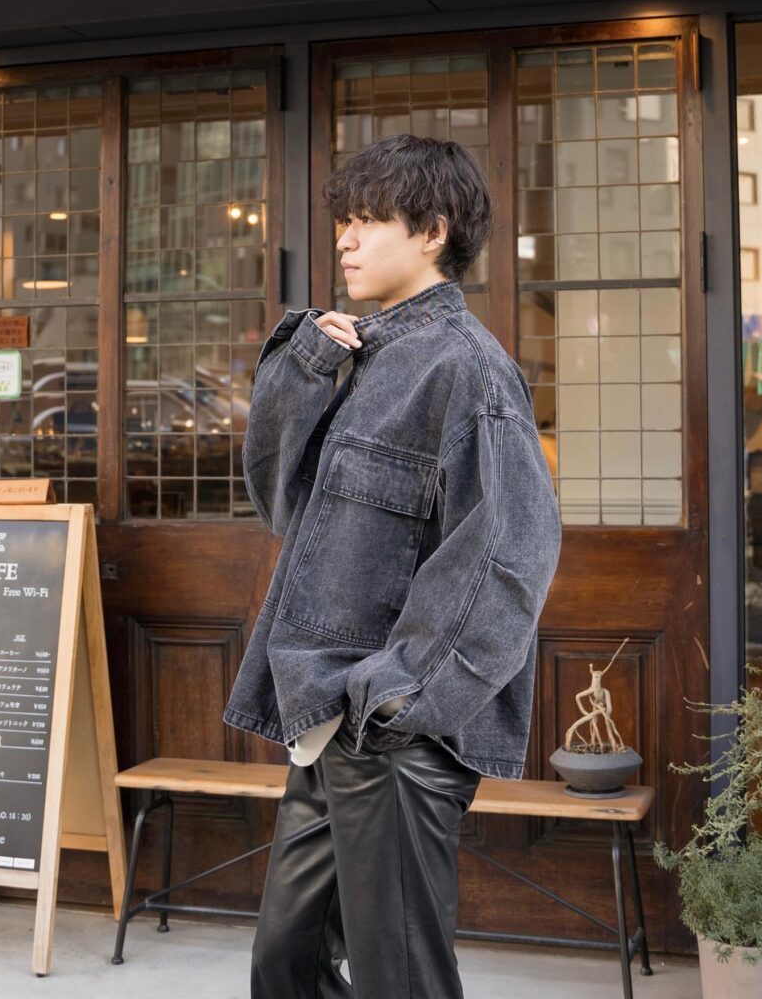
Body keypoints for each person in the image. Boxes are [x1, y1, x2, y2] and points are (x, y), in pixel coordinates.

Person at [223, 133, 562, 998]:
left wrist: (401, 696)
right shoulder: (359, 357)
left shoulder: (467, 370)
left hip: (394, 727)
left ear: (432, 232)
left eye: (368, 220)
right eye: (343, 220)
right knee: (286, 966)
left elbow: (509, 551)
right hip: (327, 721)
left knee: (398, 977)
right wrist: (301, 372)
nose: (344, 239)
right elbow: (277, 506)